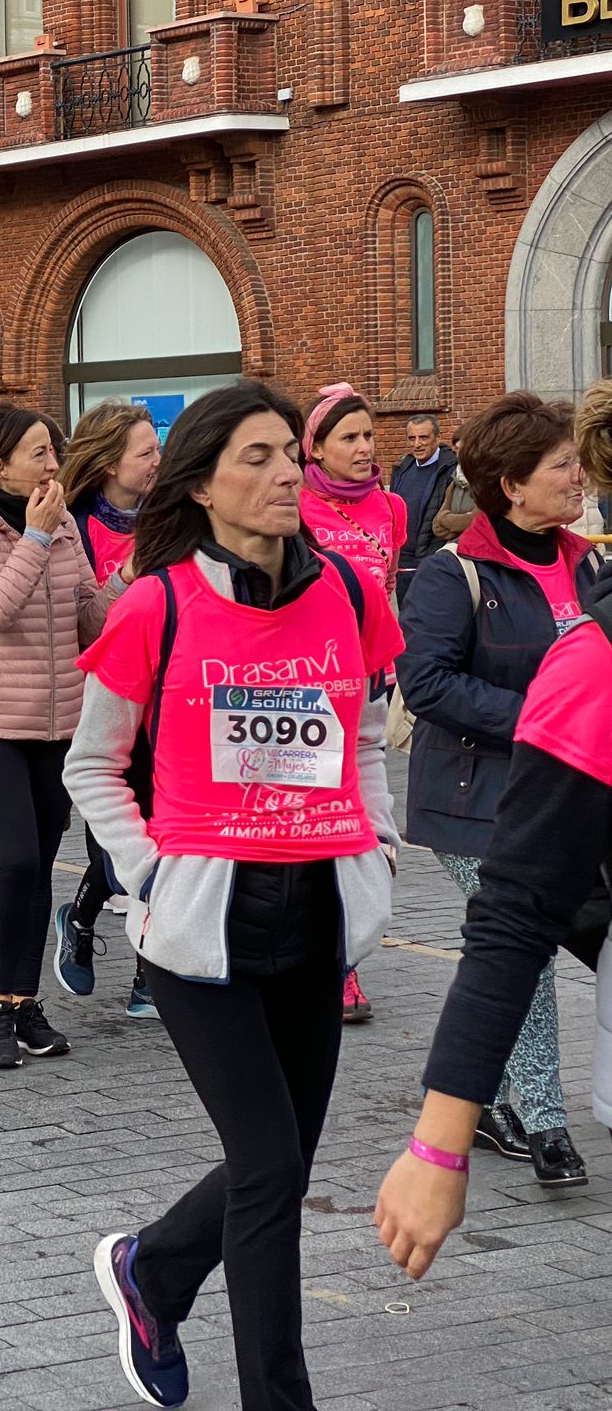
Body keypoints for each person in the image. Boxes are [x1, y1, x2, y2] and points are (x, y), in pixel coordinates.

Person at [65, 382, 400, 1411]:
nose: (283, 475)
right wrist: (151, 870)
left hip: (314, 918)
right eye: (252, 458)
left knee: (282, 1164)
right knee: (264, 1169)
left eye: (284, 456)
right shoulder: (153, 605)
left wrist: (377, 846)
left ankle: (152, 1272)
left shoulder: (346, 593)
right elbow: (91, 766)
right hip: (197, 932)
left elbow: (364, 732)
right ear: (201, 484)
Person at [372, 380, 612, 1285]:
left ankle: (508, 1091)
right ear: (511, 483)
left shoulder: (589, 564)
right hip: (481, 801)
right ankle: (541, 1118)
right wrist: (552, 714)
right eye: (560, 467)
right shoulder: (451, 574)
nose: (577, 480)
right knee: (527, 942)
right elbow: (426, 684)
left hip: (575, 793)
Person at [0, 403, 114, 1068]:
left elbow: (87, 617)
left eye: (53, 451)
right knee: (11, 858)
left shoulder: (64, 521)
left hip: (56, 718)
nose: (52, 464)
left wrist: (131, 575)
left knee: (40, 861)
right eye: (39, 453)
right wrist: (35, 538)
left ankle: (26, 1001)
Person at [296, 382, 406, 1027]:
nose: (365, 448)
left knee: (366, 823)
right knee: (317, 822)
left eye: (369, 436)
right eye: (350, 437)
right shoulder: (296, 507)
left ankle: (344, 955)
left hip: (369, 681)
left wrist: (390, 664)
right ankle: (330, 964)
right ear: (317, 447)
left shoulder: (392, 508)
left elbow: (386, 589)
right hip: (308, 686)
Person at [53, 399, 163, 1018]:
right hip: (98, 698)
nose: (157, 462)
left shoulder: (171, 517)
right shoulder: (74, 525)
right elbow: (78, 619)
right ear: (109, 461)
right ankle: (83, 917)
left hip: (165, 697)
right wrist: (125, 574)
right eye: (145, 452)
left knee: (157, 830)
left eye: (157, 450)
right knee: (116, 842)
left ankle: (149, 973)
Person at [389, 413, 457, 603]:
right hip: (403, 566)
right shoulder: (403, 467)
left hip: (432, 564)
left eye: (423, 437)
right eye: (412, 438)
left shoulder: (451, 469)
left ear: (437, 437)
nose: (417, 444)